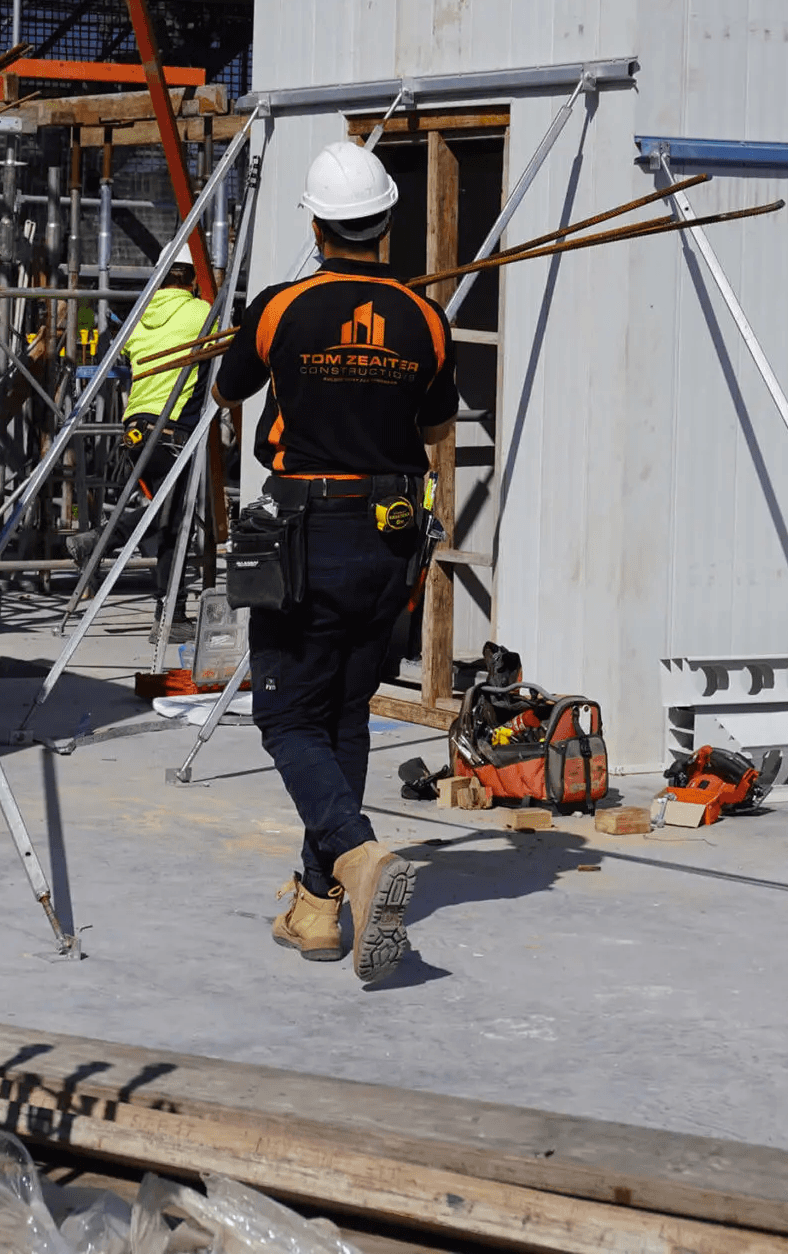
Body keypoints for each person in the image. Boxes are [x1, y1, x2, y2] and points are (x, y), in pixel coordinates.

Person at [212, 140, 456, 985]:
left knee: (286, 719)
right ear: (386, 223)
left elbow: (229, 391)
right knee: (346, 717)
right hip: (389, 534)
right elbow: (433, 425)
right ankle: (319, 905)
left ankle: (354, 853)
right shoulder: (426, 319)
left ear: (318, 224)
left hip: (306, 531)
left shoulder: (281, 308)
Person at [119, 262, 215, 574]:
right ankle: (101, 538)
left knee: (171, 519)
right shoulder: (203, 312)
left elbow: (126, 353)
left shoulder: (138, 317)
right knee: (172, 516)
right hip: (171, 431)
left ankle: (172, 610)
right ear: (194, 282)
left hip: (135, 429)